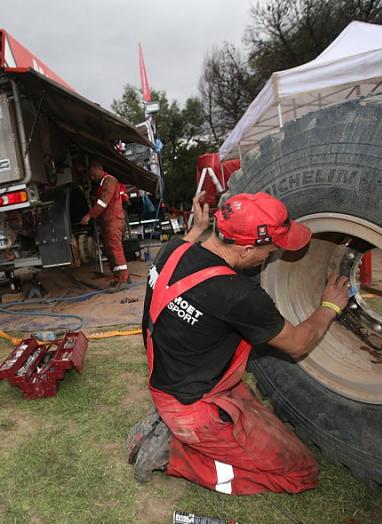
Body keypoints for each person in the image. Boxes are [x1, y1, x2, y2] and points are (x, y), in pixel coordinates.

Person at [128, 191, 350, 495]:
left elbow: (188, 241)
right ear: (245, 251)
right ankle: (175, 455)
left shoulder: (172, 250)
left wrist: (197, 227)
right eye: (271, 250)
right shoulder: (239, 295)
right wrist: (330, 306)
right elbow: (298, 343)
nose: (271, 255)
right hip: (193, 411)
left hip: (177, 382)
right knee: (300, 473)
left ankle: (169, 425)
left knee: (261, 422)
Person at [79, 160, 129, 292]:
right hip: (108, 222)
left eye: (92, 174)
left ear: (98, 169)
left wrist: (89, 215)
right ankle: (121, 277)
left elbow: (103, 202)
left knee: (115, 249)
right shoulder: (102, 183)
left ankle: (122, 279)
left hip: (113, 220)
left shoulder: (109, 180)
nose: (91, 177)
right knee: (110, 250)